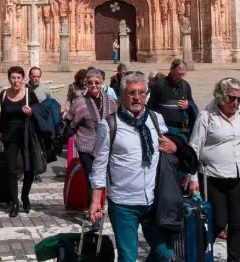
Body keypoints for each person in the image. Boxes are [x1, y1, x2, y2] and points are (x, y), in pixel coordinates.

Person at [89, 71, 177, 262]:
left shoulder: (156, 120)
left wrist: (175, 147)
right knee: (128, 257)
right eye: (131, 93)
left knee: (164, 254)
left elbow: (173, 147)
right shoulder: (110, 124)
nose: (137, 97)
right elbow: (99, 165)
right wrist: (96, 201)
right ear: (122, 95)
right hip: (123, 203)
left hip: (153, 200)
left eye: (141, 92)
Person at [188, 77, 240, 262]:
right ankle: (200, 254)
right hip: (212, 178)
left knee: (237, 223)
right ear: (220, 96)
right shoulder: (206, 116)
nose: (235, 103)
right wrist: (192, 178)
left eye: (239, 99)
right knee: (216, 221)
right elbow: (193, 149)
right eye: (231, 98)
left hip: (238, 176)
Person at [64, 66, 117, 205]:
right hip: (86, 147)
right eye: (90, 82)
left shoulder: (111, 101)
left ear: (101, 83)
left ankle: (104, 204)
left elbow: (117, 119)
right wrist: (76, 135)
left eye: (97, 82)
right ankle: (93, 208)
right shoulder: (80, 102)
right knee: (91, 178)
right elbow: (70, 121)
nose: (94, 85)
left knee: (104, 177)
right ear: (86, 83)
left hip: (105, 146)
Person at [0, 66, 42, 217]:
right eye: (13, 78)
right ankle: (15, 202)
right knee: (11, 170)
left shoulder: (29, 94)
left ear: (23, 79)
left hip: (27, 135)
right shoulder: (4, 94)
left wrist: (31, 112)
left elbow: (39, 112)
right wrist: (0, 133)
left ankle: (25, 196)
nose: (16, 81)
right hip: (10, 137)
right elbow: (3, 115)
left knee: (29, 169)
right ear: (9, 79)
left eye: (18, 78)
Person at [147, 59, 194, 142]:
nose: (182, 77)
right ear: (171, 70)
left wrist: (188, 105)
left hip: (183, 130)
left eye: (184, 74)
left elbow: (192, 106)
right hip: (165, 131)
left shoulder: (186, 85)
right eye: (179, 74)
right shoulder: (160, 85)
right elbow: (151, 108)